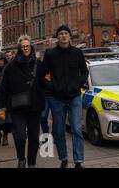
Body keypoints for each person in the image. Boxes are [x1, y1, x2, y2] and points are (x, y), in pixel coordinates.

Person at [39, 26, 89, 169]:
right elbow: (41, 76)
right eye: (61, 33)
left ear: (69, 36)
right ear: (57, 37)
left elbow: (84, 72)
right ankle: (64, 159)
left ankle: (78, 161)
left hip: (74, 97)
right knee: (59, 131)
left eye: (66, 33)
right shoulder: (50, 54)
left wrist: (78, 83)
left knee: (77, 129)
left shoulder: (77, 53)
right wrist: (52, 86)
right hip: (57, 99)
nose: (63, 36)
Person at [0, 36, 45, 168]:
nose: (25, 48)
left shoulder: (38, 64)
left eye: (27, 46)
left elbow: (45, 84)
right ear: (19, 48)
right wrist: (1, 107)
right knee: (19, 136)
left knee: (34, 138)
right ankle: (21, 159)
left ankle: (31, 163)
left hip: (34, 107)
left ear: (31, 47)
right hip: (17, 108)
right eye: (23, 46)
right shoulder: (10, 67)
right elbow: (2, 89)